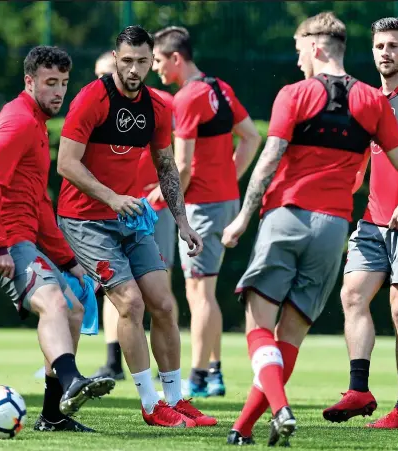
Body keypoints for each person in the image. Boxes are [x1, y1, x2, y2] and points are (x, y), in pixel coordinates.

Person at [221, 12, 398, 447]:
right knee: (309, 322)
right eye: (379, 46)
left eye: (298, 52)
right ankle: (244, 427)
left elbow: (270, 159)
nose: (296, 61)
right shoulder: (370, 99)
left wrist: (240, 217)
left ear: (314, 47)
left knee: (259, 323)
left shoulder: (297, 92)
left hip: (294, 215)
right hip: (341, 225)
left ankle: (285, 408)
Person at [56, 25, 216, 428]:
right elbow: (66, 164)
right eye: (126, 60)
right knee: (130, 303)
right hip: (85, 219)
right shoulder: (91, 98)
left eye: (143, 61)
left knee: (163, 303)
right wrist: (111, 197)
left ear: (151, 61)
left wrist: (182, 221)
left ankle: (177, 399)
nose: (134, 69)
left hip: (130, 218)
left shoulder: (159, 107)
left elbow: (166, 166)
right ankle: (149, 404)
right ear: (116, 57)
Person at [0, 45, 115, 433]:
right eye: (49, 83)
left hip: (20, 239)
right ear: (30, 82)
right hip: (5, 242)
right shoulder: (20, 122)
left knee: (74, 307)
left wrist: (68, 260)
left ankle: (53, 415)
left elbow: (39, 202)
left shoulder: (38, 125)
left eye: (63, 83)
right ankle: (73, 381)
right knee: (56, 302)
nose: (58, 92)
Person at [323, 17, 398, 429]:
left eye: (394, 46)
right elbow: (362, 157)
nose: (387, 52)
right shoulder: (366, 100)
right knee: (352, 296)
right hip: (372, 221)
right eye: (380, 46)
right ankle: (358, 389)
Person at [152, 26, 261, 397]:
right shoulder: (220, 88)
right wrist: (230, 176)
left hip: (201, 207)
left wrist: (159, 198)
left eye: (157, 60)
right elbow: (251, 136)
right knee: (207, 290)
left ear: (176, 59)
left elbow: (181, 168)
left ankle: (196, 378)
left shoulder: (185, 99)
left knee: (200, 294)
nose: (155, 69)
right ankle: (213, 374)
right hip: (225, 202)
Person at [90, 53, 179, 382]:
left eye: (105, 74)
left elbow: (175, 153)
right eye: (97, 75)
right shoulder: (92, 105)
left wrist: (161, 188)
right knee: (113, 286)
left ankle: (166, 366)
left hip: (150, 209)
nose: (102, 81)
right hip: (110, 209)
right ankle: (113, 361)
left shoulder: (160, 103)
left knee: (160, 291)